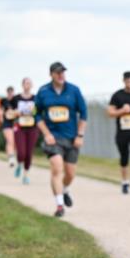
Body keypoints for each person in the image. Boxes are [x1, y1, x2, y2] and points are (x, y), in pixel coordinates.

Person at [35, 61, 88, 218]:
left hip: (71, 138)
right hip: (53, 138)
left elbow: (84, 114)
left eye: (63, 72)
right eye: (57, 72)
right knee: (57, 168)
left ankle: (64, 190)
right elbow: (36, 114)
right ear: (51, 74)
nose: (61, 75)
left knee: (70, 173)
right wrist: (46, 133)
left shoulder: (74, 90)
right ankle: (59, 205)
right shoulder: (43, 91)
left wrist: (80, 135)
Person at [11, 78, 39, 184]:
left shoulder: (36, 98)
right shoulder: (16, 98)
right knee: (21, 152)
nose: (28, 85)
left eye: (29, 83)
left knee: (29, 153)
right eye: (26, 83)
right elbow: (9, 111)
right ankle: (19, 163)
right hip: (19, 127)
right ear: (22, 85)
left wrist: (34, 111)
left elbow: (39, 111)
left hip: (32, 127)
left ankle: (26, 175)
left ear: (32, 85)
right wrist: (15, 112)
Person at [0, 85, 18, 168]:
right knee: (10, 140)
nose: (10, 93)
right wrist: (1, 119)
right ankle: (11, 158)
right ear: (7, 92)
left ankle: (12, 156)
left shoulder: (16, 100)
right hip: (6, 123)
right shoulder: (3, 100)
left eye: (11, 92)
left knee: (13, 142)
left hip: (15, 122)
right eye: (9, 92)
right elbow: (0, 110)